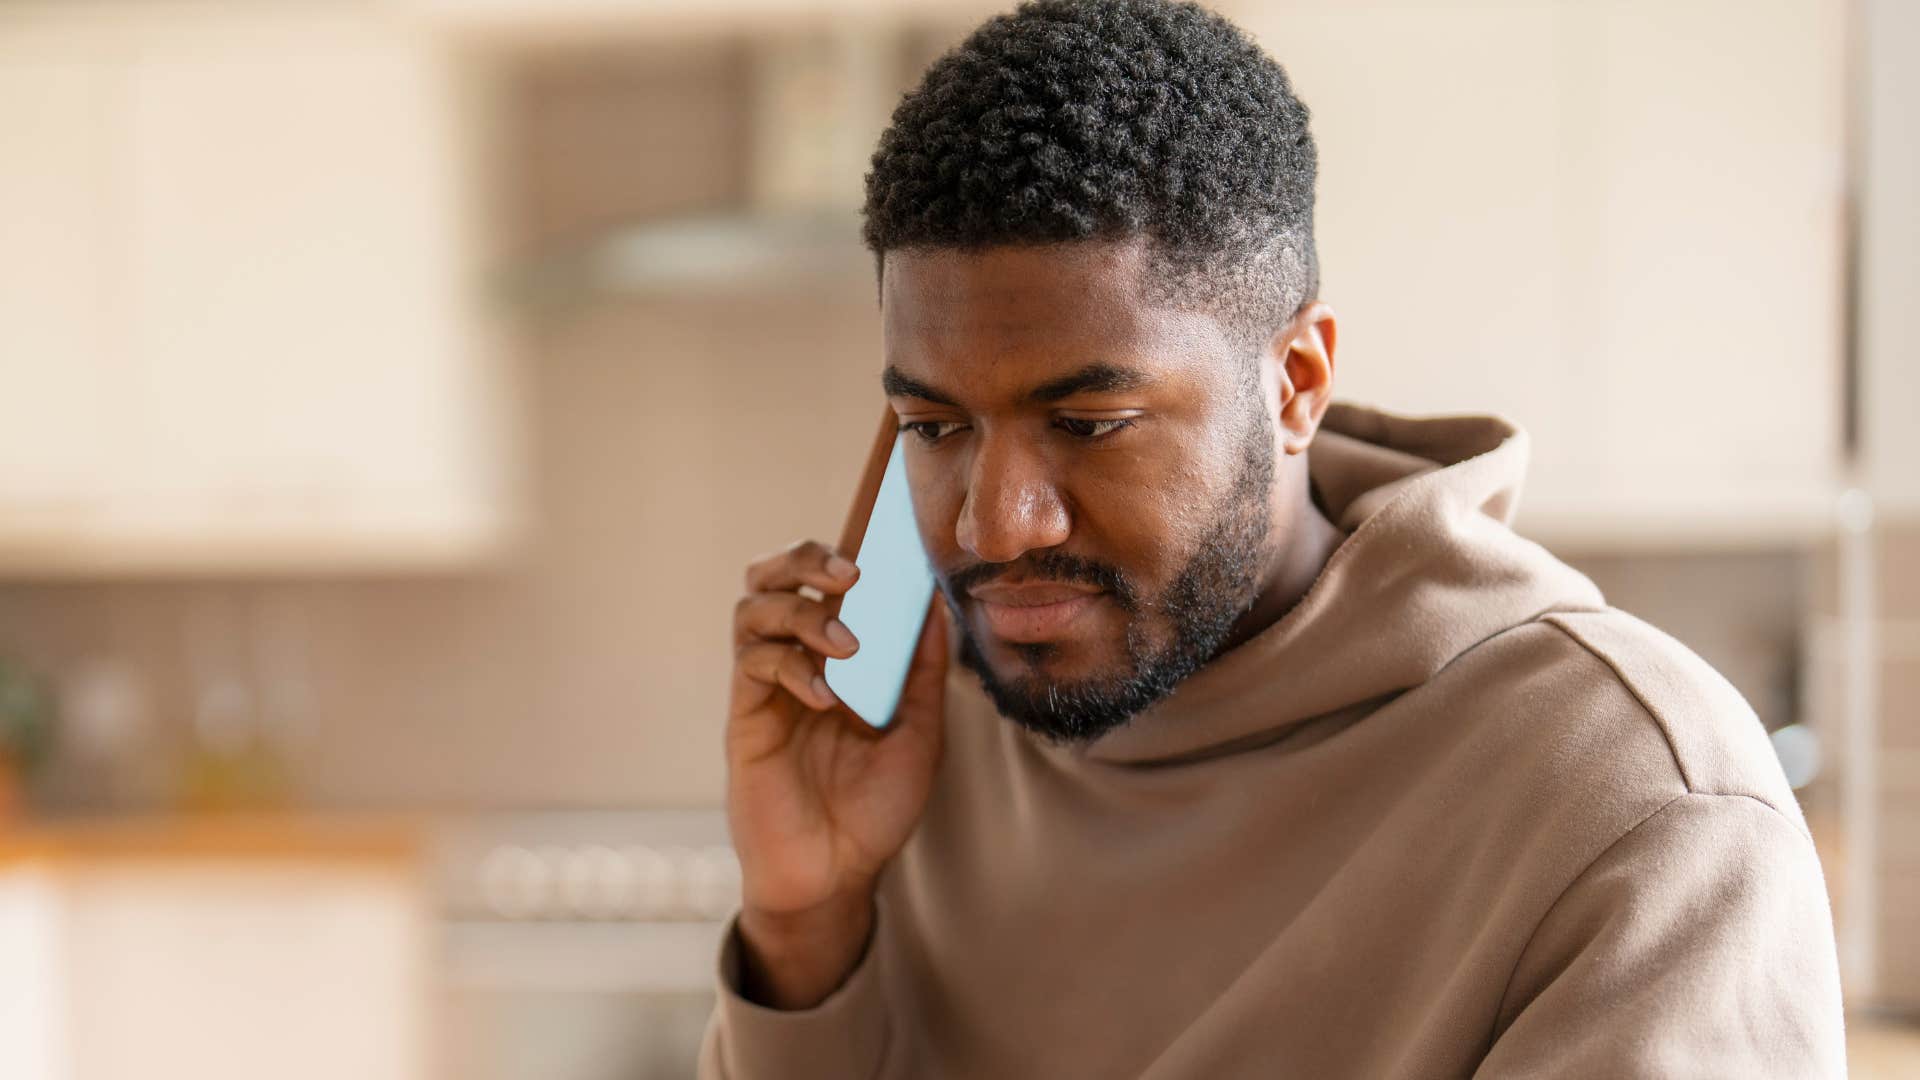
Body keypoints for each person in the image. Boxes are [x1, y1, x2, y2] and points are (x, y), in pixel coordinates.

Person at [699, 1, 1846, 1075]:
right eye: (933, 424)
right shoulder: (911, 723)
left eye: (1090, 422)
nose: (994, 524)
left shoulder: (1637, 803)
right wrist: (806, 928)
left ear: (1296, 382)